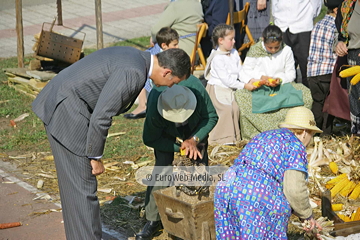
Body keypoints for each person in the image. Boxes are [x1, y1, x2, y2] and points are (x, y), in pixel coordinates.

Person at [31, 47, 190, 240]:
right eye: (173, 83)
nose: (169, 87)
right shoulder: (134, 72)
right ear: (167, 72)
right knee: (83, 188)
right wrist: (95, 156)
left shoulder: (137, 57)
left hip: (61, 101)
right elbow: (102, 116)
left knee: (74, 188)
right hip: (68, 111)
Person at [214, 106, 323, 239]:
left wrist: (300, 214)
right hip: (253, 193)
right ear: (305, 132)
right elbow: (294, 189)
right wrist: (307, 215)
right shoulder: (295, 145)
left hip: (227, 186)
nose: (309, 140)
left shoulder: (266, 135)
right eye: (312, 134)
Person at [136, 77, 218, 240]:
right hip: (166, 134)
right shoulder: (154, 101)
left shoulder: (197, 89)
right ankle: (153, 219)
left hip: (194, 130)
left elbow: (211, 117)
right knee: (162, 168)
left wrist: (194, 140)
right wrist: (180, 148)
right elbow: (150, 139)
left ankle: (202, 213)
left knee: (200, 167)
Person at [204, 24, 256, 145]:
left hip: (231, 88)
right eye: (231, 39)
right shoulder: (217, 58)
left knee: (236, 108)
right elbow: (226, 80)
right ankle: (220, 139)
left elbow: (240, 71)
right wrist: (244, 86)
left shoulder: (233, 53)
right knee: (226, 109)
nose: (234, 41)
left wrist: (249, 79)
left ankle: (235, 137)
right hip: (219, 88)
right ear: (220, 41)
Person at [124, 27, 180, 119]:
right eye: (175, 45)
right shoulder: (156, 55)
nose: (177, 47)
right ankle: (143, 105)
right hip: (150, 79)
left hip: (162, 83)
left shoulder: (170, 53)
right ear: (164, 46)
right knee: (142, 79)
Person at [307, 0, 343, 135]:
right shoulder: (335, 26)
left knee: (317, 103)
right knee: (328, 105)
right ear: (336, 10)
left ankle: (313, 132)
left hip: (313, 71)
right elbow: (336, 49)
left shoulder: (318, 24)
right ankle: (326, 134)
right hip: (327, 71)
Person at [272, 0, 322, 87]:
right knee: (283, 66)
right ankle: (287, 94)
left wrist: (309, 15)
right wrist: (277, 15)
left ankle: (308, 95)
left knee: (306, 65)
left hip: (303, 23)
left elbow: (316, 3)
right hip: (282, 24)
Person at [335, 0, 360, 135]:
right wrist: (339, 43)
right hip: (353, 58)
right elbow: (340, 34)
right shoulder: (347, 5)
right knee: (356, 100)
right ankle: (357, 138)